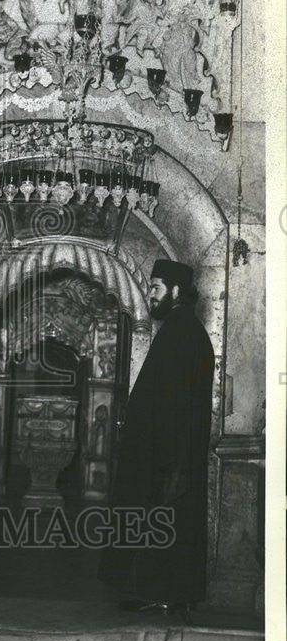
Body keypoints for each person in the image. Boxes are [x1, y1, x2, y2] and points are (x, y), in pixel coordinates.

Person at [99, 259, 215, 614]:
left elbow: (177, 405)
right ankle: (163, 593)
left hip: (164, 457)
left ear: (177, 292)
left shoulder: (182, 333)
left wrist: (171, 463)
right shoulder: (181, 330)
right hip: (164, 454)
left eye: (156, 288)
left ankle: (161, 593)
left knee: (161, 523)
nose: (150, 295)